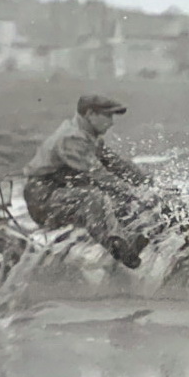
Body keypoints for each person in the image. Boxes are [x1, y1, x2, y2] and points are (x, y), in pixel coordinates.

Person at [23, 94, 164, 269]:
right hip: (44, 200)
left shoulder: (88, 137)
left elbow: (118, 165)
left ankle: (133, 243)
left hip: (63, 194)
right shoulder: (71, 139)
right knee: (93, 198)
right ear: (90, 114)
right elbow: (99, 175)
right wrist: (136, 193)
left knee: (122, 200)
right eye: (107, 116)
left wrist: (153, 185)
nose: (111, 122)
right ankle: (119, 248)